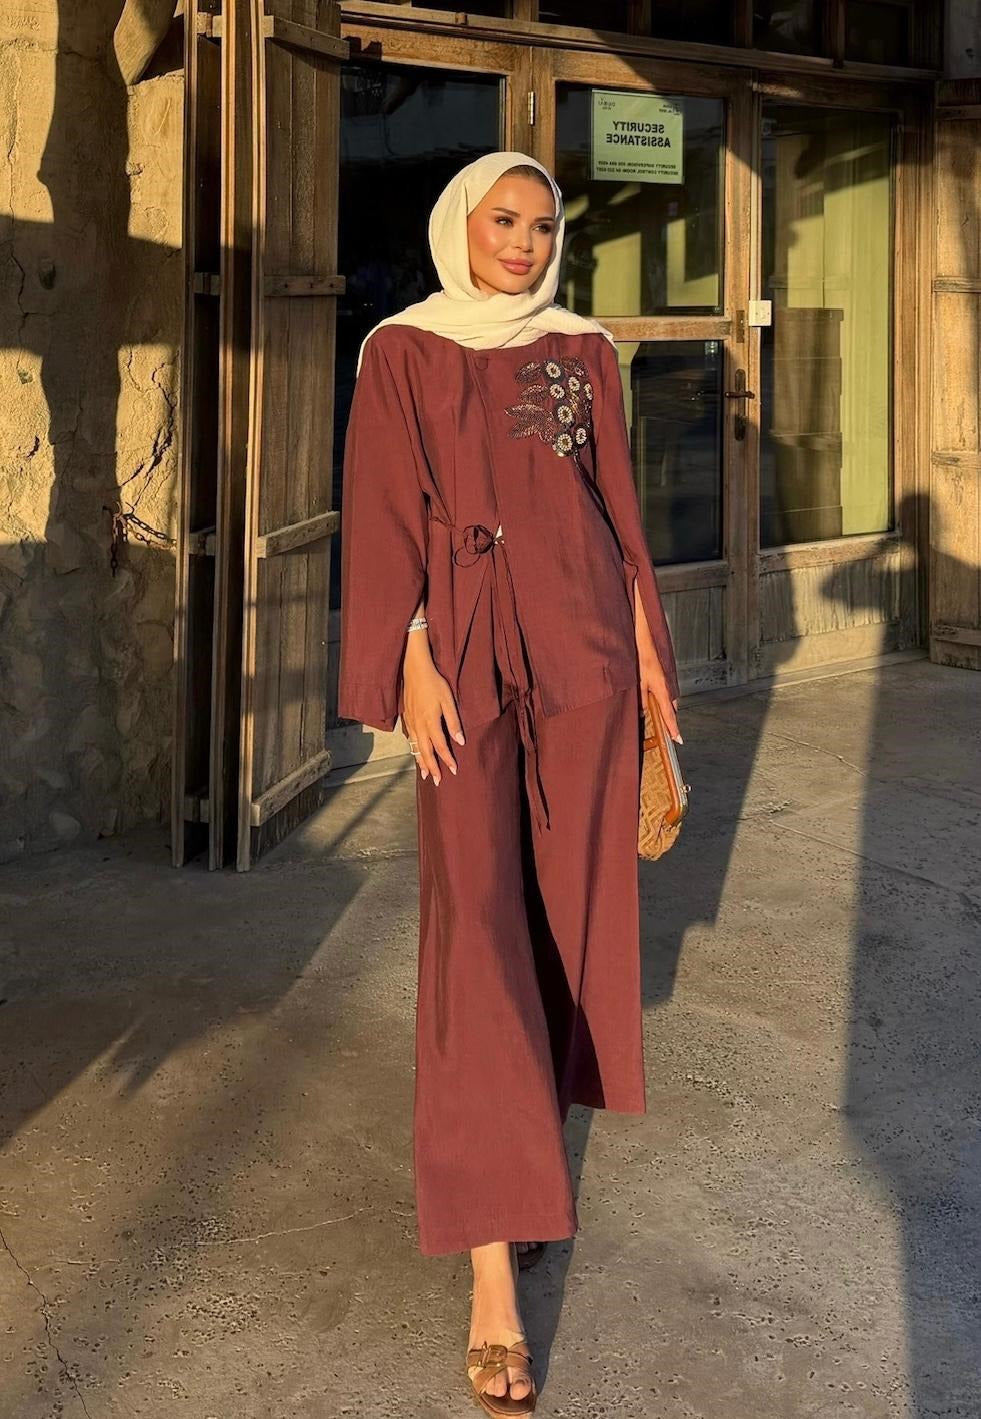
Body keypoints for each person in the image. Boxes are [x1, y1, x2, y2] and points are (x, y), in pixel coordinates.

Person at [337, 150, 681, 1416]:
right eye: (505, 220)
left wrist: (649, 668)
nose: (526, 243)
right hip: (465, 659)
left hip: (585, 651)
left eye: (543, 224)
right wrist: (409, 654)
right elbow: (383, 514)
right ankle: (493, 1277)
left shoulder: (583, 348)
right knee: (474, 935)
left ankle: (524, 1167)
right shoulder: (401, 350)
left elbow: (617, 514)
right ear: (460, 226)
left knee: (563, 923)